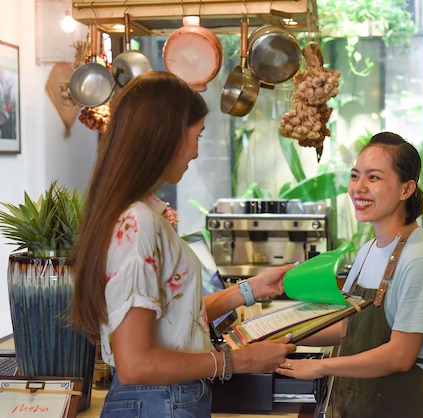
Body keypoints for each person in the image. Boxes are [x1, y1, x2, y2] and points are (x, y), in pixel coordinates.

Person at [70, 71, 296, 417]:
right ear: (167, 136)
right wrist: (236, 360)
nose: (195, 151)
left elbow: (173, 317)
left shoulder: (140, 213)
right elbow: (136, 363)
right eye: (197, 136)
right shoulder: (138, 223)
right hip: (160, 400)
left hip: (164, 399)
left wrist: (250, 289)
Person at [275, 131, 423, 417]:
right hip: (361, 405)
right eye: (355, 175)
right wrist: (281, 336)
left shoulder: (420, 258)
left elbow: (400, 355)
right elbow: (349, 326)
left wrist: (319, 366)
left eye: (374, 178)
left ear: (406, 189)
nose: (358, 187)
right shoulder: (369, 249)